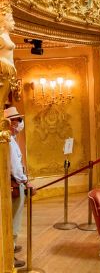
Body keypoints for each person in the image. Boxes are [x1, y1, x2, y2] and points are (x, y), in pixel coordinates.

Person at [6, 106, 28, 267]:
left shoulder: (10, 139)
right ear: (9, 123)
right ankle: (9, 256)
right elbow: (14, 166)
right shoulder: (7, 140)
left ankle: (11, 247)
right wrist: (25, 180)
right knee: (13, 221)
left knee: (13, 219)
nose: (19, 124)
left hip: (12, 184)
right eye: (16, 121)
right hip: (13, 185)